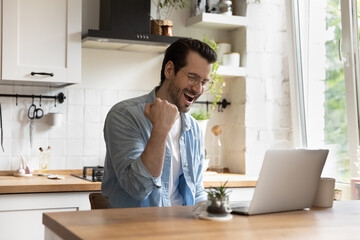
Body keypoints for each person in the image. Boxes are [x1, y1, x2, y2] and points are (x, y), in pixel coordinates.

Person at [101, 38, 217, 208]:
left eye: (204, 82)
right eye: (193, 78)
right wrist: (161, 129)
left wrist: (211, 213)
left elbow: (197, 189)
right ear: (169, 70)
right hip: (137, 230)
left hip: (181, 228)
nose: (199, 89)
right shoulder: (124, 115)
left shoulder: (193, 129)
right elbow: (138, 188)